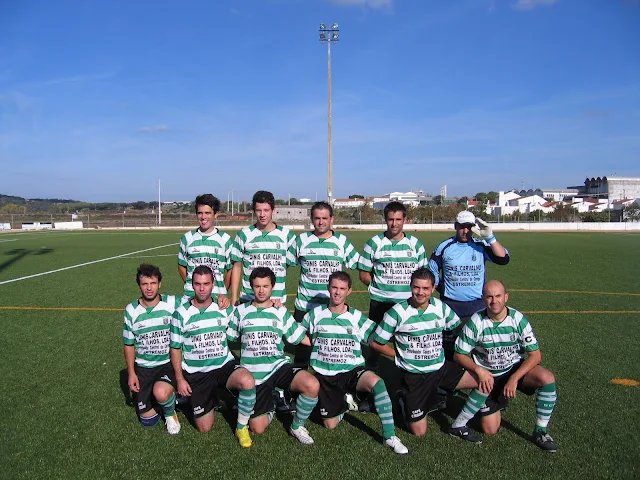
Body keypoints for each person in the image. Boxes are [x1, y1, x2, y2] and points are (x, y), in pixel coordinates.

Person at [300, 271, 409, 455]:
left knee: (377, 383)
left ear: (349, 291)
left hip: (352, 371)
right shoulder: (314, 315)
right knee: (330, 424)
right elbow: (297, 334)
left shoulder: (357, 317)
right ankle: (345, 402)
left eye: (342, 289)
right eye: (334, 287)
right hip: (326, 374)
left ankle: (390, 436)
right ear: (328, 288)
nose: (337, 292)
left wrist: (399, 349)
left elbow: (377, 338)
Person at [449, 280, 558, 452]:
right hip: (488, 374)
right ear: (483, 299)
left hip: (513, 368)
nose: (494, 301)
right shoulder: (476, 321)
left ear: (506, 297)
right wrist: (479, 370)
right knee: (490, 430)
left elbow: (536, 355)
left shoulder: (518, 319)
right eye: (489, 297)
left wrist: (514, 378)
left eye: (498, 296)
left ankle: (540, 431)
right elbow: (458, 354)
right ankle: (473, 412)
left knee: (547, 378)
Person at [370, 268, 479, 437]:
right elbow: (376, 343)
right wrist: (398, 355)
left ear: (433, 288)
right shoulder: (396, 313)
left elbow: (454, 327)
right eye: (416, 287)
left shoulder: (440, 307)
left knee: (483, 380)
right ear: (410, 286)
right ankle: (402, 399)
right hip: (415, 377)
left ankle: (459, 423)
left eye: (426, 288)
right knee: (419, 432)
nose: (420, 292)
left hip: (441, 368)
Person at [227, 267, 320, 445]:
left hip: (278, 367)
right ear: (251, 287)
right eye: (257, 286)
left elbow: (300, 338)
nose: (261, 290)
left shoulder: (281, 311)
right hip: (253, 375)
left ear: (272, 287)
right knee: (257, 428)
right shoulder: (240, 312)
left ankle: (297, 426)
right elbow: (229, 337)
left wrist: (325, 339)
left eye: (265, 286)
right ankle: (275, 399)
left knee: (312, 384)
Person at [169, 266, 256, 448]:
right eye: (198, 284)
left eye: (206, 284)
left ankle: (241, 427)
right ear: (192, 284)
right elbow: (175, 348)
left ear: (213, 284)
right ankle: (213, 395)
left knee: (247, 381)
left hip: (223, 365)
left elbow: (249, 312)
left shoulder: (223, 307)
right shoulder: (181, 314)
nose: (202, 288)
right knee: (204, 427)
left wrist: (273, 303)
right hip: (197, 373)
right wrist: (180, 379)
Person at [358, 201, 427, 377]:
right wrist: (378, 288)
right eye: (390, 219)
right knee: (376, 338)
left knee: (407, 337)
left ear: (405, 220)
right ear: (385, 220)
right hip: (380, 302)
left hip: (407, 303)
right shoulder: (374, 243)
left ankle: (407, 368)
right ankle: (372, 364)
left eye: (398, 219)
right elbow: (364, 274)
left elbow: (423, 274)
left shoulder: (416, 245)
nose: (394, 224)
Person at [290, 201, 360, 365]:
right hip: (305, 306)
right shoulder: (301, 240)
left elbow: (360, 265)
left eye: (324, 218)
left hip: (332, 307)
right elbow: (282, 265)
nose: (321, 222)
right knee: (301, 352)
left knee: (332, 350)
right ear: (311, 219)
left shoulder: (342, 241)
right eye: (317, 218)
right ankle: (299, 376)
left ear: (331, 219)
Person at [123, 264, 181, 434]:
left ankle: (170, 413)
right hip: (144, 368)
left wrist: (220, 299)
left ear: (159, 284)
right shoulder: (131, 310)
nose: (149, 288)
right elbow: (128, 344)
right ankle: (168, 397)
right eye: (145, 284)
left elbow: (199, 299)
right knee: (148, 421)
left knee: (161, 392)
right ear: (139, 285)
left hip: (167, 364)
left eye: (153, 283)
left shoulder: (173, 303)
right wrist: (131, 373)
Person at [428, 210, 509, 320]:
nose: (465, 231)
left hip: (478, 304)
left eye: (469, 227)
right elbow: (432, 269)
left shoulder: (480, 245)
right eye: (462, 227)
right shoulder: (444, 247)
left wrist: (490, 237)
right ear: (455, 226)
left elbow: (503, 259)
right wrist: (441, 288)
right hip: (451, 304)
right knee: (451, 331)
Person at [230, 190, 296, 306]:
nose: (262, 214)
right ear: (254, 211)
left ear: (273, 210)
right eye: (258, 210)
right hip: (249, 298)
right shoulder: (243, 235)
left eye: (266, 210)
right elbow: (237, 266)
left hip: (276, 301)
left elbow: (286, 264)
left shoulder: (287, 236)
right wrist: (234, 297)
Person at [177, 194, 232, 307]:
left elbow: (230, 270)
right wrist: (192, 284)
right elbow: (181, 266)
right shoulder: (187, 238)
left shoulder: (225, 240)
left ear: (215, 214)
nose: (203, 217)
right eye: (200, 213)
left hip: (217, 299)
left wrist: (222, 290)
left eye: (207, 213)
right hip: (191, 297)